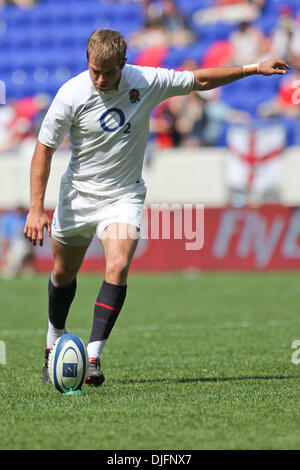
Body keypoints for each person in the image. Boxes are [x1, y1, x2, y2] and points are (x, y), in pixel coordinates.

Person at [23, 28, 289, 387]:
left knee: (117, 265)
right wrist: (36, 208)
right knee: (62, 273)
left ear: (124, 64)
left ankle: (95, 355)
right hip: (78, 196)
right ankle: (53, 340)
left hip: (123, 195)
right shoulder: (71, 94)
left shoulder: (146, 81)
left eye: (109, 72)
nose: (101, 79)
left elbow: (199, 81)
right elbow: (44, 148)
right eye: (94, 71)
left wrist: (254, 67)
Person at [1, 206, 34, 279]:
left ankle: (23, 267)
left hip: (23, 245)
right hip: (12, 248)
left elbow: (30, 238)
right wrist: (5, 255)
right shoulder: (10, 220)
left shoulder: (27, 219)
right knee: (9, 274)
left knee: (27, 273)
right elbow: (5, 238)